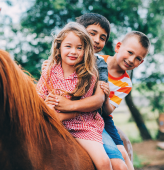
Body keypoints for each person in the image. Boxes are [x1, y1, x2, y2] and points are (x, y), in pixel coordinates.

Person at [43, 14, 150, 170]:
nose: (131, 60)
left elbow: (102, 107)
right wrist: (48, 69)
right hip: (75, 111)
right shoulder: (74, 58)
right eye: (92, 34)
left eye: (102, 37)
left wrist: (103, 98)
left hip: (99, 117)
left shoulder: (99, 65)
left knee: (122, 157)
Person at [36, 22, 112, 170]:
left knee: (103, 162)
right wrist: (46, 106)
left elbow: (83, 109)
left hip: (81, 126)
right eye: (68, 46)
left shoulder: (89, 76)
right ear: (59, 47)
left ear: (86, 51)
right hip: (50, 121)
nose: (74, 52)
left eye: (79, 48)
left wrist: (58, 117)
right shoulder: (49, 71)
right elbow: (39, 97)